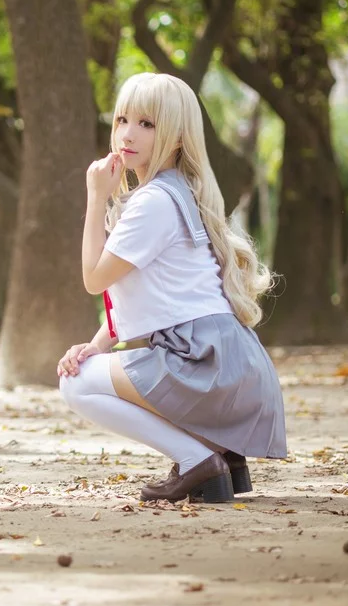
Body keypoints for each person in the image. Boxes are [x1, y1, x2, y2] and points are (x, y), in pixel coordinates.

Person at [57, 72, 286, 503]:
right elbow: (149, 295)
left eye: (147, 124)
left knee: (77, 385)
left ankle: (199, 461)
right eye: (123, 119)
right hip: (225, 360)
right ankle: (221, 453)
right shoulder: (178, 191)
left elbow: (94, 280)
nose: (128, 134)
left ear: (177, 137)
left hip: (203, 360)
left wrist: (94, 199)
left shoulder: (153, 202)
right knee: (88, 368)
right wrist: (95, 346)